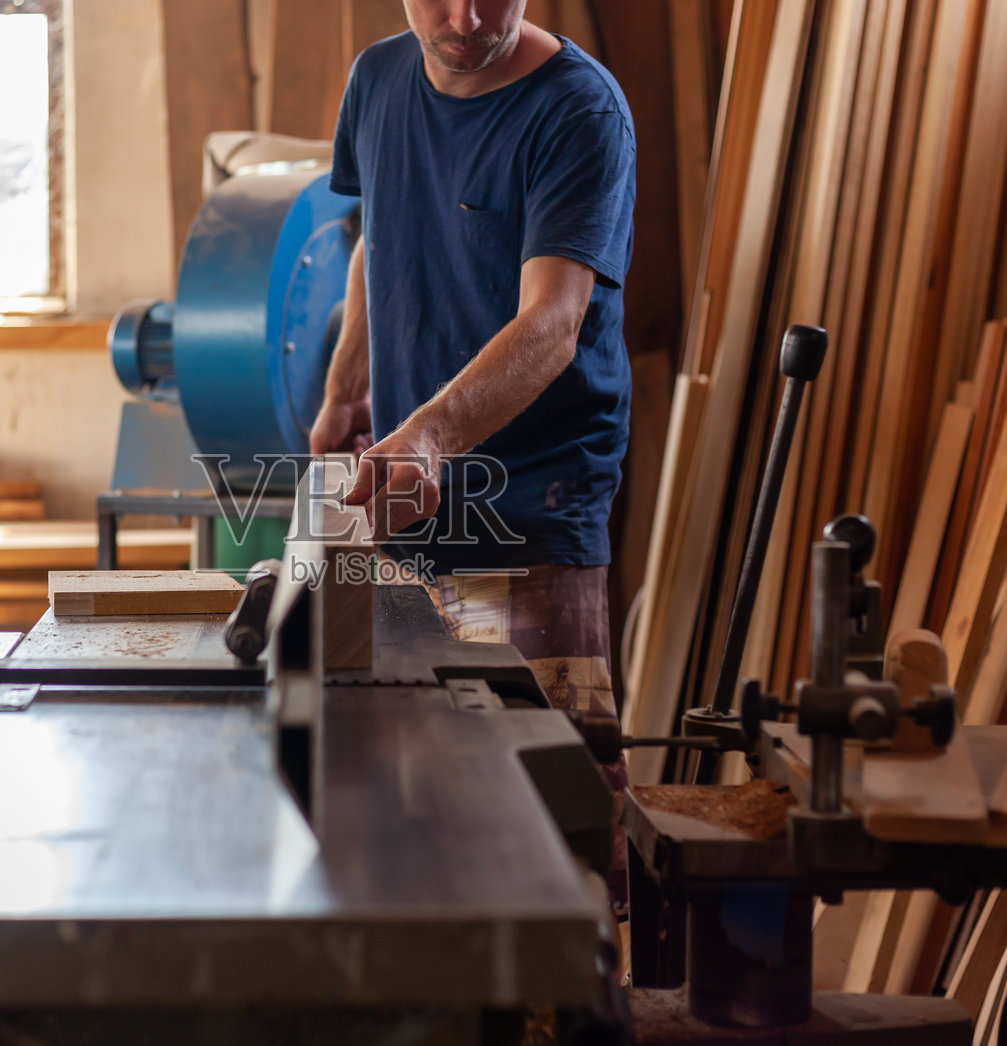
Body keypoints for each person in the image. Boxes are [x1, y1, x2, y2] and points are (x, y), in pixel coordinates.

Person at [308, 0, 636, 907]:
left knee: (554, 805)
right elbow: (382, 228)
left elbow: (554, 322)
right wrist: (347, 387)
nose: (465, 16)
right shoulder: (377, 78)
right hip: (413, 499)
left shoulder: (578, 109)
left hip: (530, 506)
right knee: (414, 791)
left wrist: (427, 435)